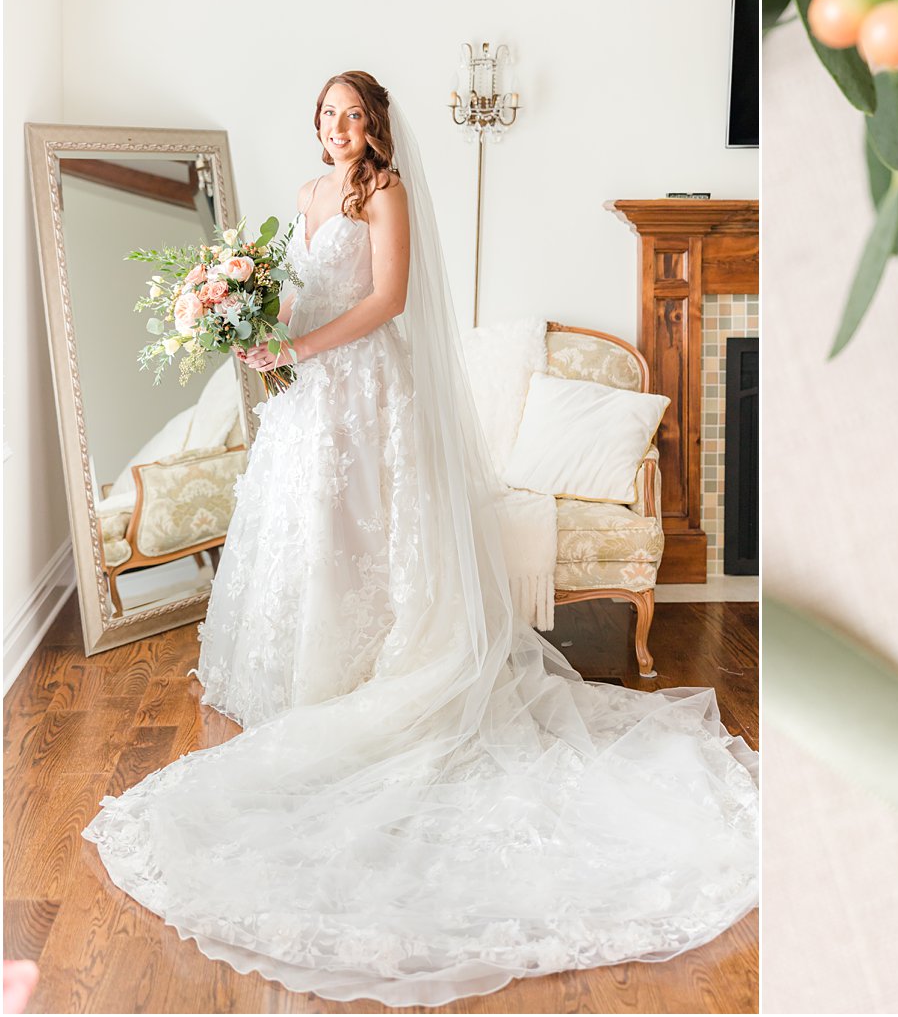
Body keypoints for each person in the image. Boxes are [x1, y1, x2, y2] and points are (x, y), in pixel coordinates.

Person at [81, 72, 759, 1008]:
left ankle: (374, 672)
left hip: (366, 389)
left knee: (367, 530)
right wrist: (252, 325)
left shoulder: (387, 192)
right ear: (316, 129)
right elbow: (302, 295)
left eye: (355, 115)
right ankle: (303, 673)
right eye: (329, 115)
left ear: (376, 127)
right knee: (308, 529)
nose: (342, 128)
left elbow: (389, 301)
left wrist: (300, 350)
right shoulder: (310, 196)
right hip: (311, 398)